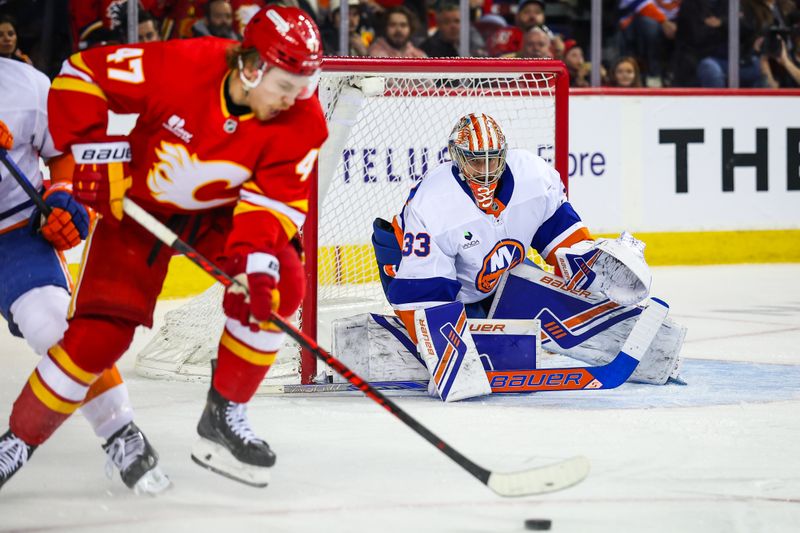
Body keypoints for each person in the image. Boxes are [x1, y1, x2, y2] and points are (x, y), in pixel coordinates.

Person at [0, 5, 328, 490]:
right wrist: (95, 156)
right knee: (98, 338)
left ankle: (225, 409)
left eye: (302, 88)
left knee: (281, 283)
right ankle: (19, 440)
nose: (294, 99)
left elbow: (272, 208)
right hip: (136, 212)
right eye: (285, 87)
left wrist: (257, 272)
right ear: (252, 67)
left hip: (220, 216)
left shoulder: (302, 120)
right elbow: (81, 74)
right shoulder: (184, 63)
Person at [366, 113, 682, 401]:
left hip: (489, 276)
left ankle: (653, 352)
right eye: (477, 161)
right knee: (478, 356)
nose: (487, 169)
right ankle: (419, 342)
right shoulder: (433, 202)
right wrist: (444, 352)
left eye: (493, 159)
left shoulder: (533, 177)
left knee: (531, 329)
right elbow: (422, 291)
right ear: (458, 160)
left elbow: (564, 243)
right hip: (409, 272)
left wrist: (591, 269)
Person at [0, 58, 169, 494]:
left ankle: (121, 432)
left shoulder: (25, 86)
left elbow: (65, 154)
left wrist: (63, 194)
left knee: (54, 324)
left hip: (14, 232)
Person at [420, 2, 486, 57]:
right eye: (447, 22)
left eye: (457, 21)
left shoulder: (476, 42)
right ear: (439, 25)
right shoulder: (428, 49)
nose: (453, 26)